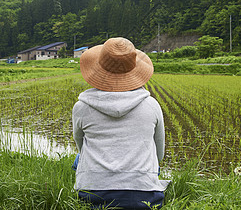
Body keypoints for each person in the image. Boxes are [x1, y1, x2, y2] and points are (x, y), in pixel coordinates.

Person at [72, 37, 169, 209]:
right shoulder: (152, 105)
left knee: (79, 158)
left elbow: (81, 146)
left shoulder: (81, 107)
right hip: (144, 196)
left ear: (97, 69)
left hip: (93, 194)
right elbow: (159, 154)